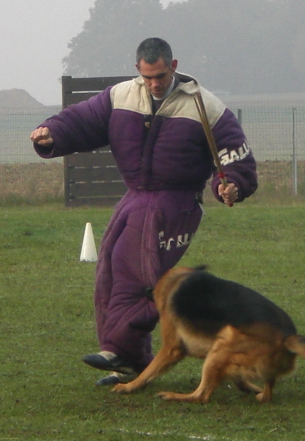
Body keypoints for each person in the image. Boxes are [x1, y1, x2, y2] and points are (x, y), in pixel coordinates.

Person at [30, 38, 257, 386]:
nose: (155, 83)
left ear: (174, 65)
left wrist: (233, 184)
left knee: (137, 274)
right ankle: (132, 360)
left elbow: (233, 152)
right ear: (138, 69)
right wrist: (52, 133)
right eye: (148, 76)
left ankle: (121, 349)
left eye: (161, 75)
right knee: (108, 268)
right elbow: (81, 121)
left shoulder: (203, 105)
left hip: (175, 203)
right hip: (135, 198)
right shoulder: (120, 96)